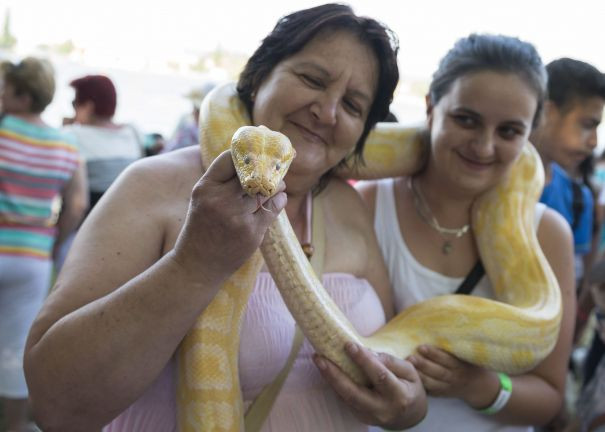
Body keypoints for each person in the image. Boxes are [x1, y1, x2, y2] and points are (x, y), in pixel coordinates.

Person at [23, 4, 427, 431]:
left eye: (352, 105)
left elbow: (390, 347)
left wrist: (411, 406)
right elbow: (55, 403)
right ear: (258, 78)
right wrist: (194, 264)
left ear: (364, 130)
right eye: (312, 80)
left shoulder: (349, 209)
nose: (327, 112)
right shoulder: (154, 186)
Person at [357, 34, 576, 430]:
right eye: (466, 119)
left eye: (509, 131)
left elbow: (549, 395)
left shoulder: (546, 232)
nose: (483, 146)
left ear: (529, 135)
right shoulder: (366, 205)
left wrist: (478, 386)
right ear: (430, 108)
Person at [0, 57, 88, 432]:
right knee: (14, 346)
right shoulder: (67, 146)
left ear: (22, 94)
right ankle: (14, 423)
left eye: (5, 89)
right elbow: (78, 205)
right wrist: (53, 243)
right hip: (33, 258)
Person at [64, 74, 144, 211]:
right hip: (129, 216)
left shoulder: (72, 135)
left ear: (88, 106)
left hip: (89, 221)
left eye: (75, 103)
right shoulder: (132, 131)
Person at [162, 80, 217, 153]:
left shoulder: (190, 131)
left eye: (197, 109)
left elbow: (168, 152)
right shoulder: (216, 137)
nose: (193, 112)